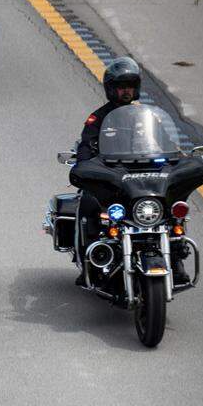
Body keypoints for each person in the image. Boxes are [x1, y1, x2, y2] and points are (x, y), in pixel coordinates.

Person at [72, 57, 143, 287]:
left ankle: (177, 261)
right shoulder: (98, 118)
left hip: (141, 178)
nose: (126, 91)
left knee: (171, 209)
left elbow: (165, 142)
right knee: (88, 204)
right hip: (110, 179)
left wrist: (177, 160)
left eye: (130, 86)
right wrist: (85, 167)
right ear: (112, 89)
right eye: (122, 86)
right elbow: (86, 146)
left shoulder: (147, 116)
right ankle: (89, 264)